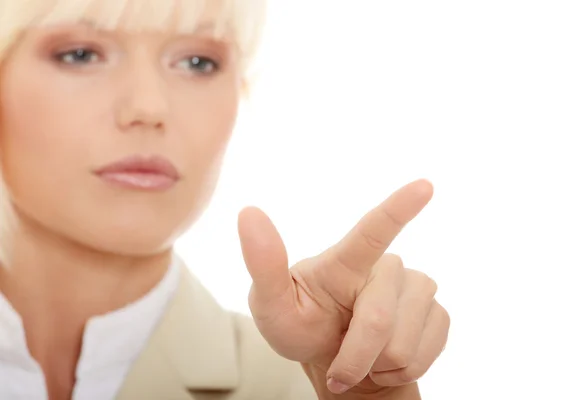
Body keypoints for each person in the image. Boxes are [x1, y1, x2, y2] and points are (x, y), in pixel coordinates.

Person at [0, 1, 450, 399]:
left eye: (197, 61)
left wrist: (369, 397)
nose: (149, 107)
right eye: (80, 54)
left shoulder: (305, 387)